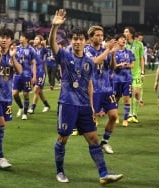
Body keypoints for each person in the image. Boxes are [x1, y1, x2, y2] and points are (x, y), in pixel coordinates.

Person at [49, 9, 123, 185]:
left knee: (94, 139)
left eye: (80, 39)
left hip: (83, 106)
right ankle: (59, 172)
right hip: (67, 104)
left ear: (85, 41)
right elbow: (52, 44)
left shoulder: (89, 62)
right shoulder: (65, 56)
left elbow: (89, 84)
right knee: (63, 139)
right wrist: (54, 27)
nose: (77, 42)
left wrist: (91, 108)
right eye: (74, 39)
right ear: (71, 41)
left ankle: (104, 173)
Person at [0, 27, 22, 169]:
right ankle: (0, 157)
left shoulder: (13, 54)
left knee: (1, 126)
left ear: (11, 40)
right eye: (1, 36)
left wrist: (13, 57)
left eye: (7, 37)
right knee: (0, 125)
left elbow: (19, 71)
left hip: (7, 96)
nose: (4, 39)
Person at [85, 25, 119, 154]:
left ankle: (104, 142)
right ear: (90, 37)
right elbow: (95, 62)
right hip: (93, 90)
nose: (100, 37)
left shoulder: (106, 50)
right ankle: (94, 145)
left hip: (107, 88)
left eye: (101, 35)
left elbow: (112, 67)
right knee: (91, 121)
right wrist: (108, 50)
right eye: (97, 35)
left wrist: (113, 55)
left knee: (114, 116)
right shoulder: (87, 50)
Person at [12, 32, 36, 120]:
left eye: (22, 37)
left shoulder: (31, 50)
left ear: (26, 39)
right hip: (17, 75)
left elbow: (33, 63)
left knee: (26, 94)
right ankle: (21, 107)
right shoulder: (16, 48)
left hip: (27, 75)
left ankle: (25, 113)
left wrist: (34, 76)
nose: (20, 38)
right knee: (14, 94)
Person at [113, 34, 135, 127]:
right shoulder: (114, 53)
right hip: (116, 79)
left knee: (127, 99)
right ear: (117, 41)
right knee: (116, 99)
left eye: (124, 39)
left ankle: (125, 119)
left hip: (127, 79)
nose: (123, 40)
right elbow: (113, 67)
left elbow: (133, 64)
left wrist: (127, 65)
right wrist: (119, 65)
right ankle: (116, 117)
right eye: (121, 38)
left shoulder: (129, 52)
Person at [124, 27, 145, 123]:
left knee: (136, 93)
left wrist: (142, 72)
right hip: (126, 73)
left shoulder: (139, 44)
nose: (125, 33)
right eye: (124, 32)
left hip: (136, 72)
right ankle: (129, 114)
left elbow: (141, 58)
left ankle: (134, 114)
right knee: (128, 95)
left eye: (126, 31)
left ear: (131, 34)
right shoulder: (123, 44)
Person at [27, 35, 51, 114]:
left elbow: (46, 51)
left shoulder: (43, 49)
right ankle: (47, 105)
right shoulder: (32, 49)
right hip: (33, 72)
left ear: (40, 41)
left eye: (36, 39)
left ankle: (32, 107)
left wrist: (44, 44)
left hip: (41, 72)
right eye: (34, 38)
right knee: (39, 91)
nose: (34, 40)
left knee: (36, 89)